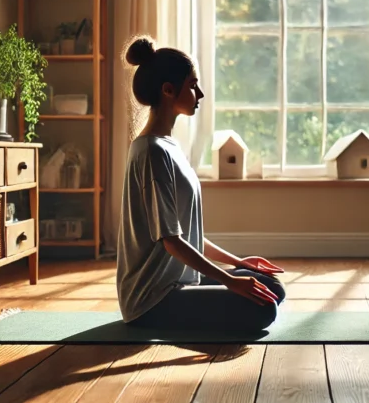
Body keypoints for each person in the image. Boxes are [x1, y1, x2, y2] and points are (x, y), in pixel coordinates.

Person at [117, 36, 286, 333]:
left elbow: (183, 232)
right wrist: (230, 279)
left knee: (271, 287)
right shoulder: (151, 152)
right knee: (264, 308)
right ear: (168, 90)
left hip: (178, 279)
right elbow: (171, 241)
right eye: (193, 85)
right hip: (152, 299)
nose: (201, 93)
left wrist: (239, 263)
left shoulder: (168, 146)